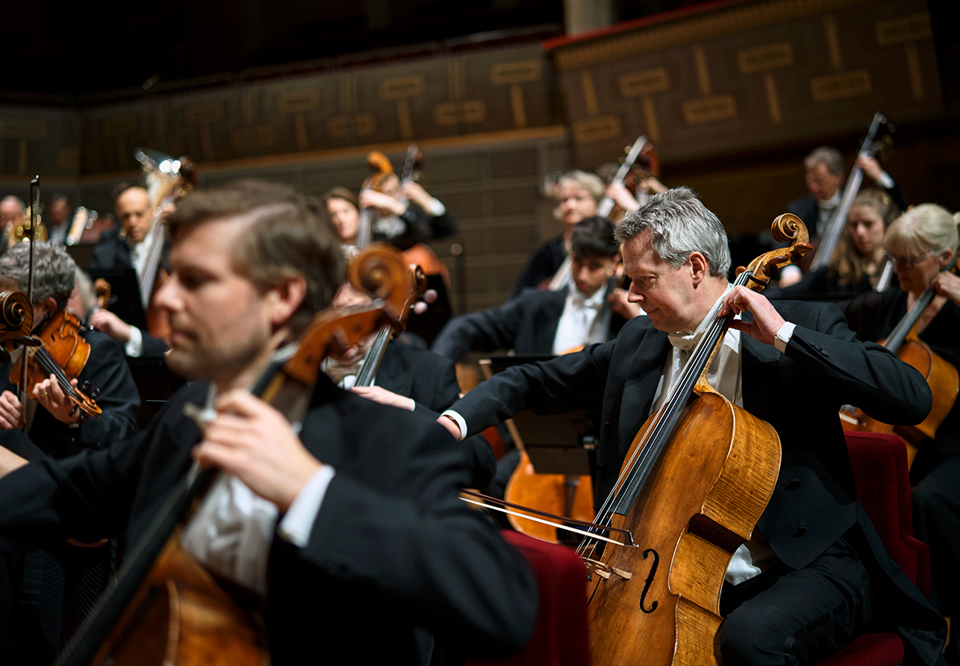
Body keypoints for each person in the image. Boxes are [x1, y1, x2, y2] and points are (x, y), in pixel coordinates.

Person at [0, 180, 536, 664]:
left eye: (195, 280)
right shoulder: (194, 418)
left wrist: (309, 490)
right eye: (169, 277)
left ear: (281, 298)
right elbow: (64, 494)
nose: (163, 299)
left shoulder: (383, 440)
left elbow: (503, 603)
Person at [438, 187, 946, 665]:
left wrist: (785, 336)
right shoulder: (639, 343)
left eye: (644, 279)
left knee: (749, 642)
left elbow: (911, 397)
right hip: (670, 571)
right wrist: (454, 422)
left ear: (696, 267)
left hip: (801, 562)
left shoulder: (800, 324)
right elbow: (531, 380)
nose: (632, 295)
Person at [0, 241, 141, 662]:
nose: (2, 310)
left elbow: (122, 433)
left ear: (43, 304)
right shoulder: (6, 346)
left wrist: (75, 420)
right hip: (12, 518)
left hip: (68, 534)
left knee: (56, 646)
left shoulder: (97, 353)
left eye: (10, 300)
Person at [845, 203, 960, 665]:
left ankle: (944, 616)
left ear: (945, 257)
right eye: (892, 259)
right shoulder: (892, 304)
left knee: (929, 501)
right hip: (908, 441)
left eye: (906, 262)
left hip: (953, 446)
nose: (895, 270)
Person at [324, 282, 496, 489]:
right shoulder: (290, 369)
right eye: (332, 313)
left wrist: (412, 410)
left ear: (380, 312)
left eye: (355, 314)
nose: (344, 328)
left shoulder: (429, 370)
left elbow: (482, 464)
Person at [780, 149, 908, 287]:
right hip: (813, 277)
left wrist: (880, 176)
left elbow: (901, 211)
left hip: (853, 274)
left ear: (839, 178)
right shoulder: (799, 209)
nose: (813, 187)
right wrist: (789, 270)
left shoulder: (860, 200)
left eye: (820, 181)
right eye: (809, 181)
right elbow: (781, 244)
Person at [771, 188, 901, 301]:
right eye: (854, 225)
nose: (859, 232)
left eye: (868, 224)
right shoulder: (836, 271)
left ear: (887, 225)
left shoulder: (900, 269)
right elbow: (789, 293)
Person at [88, 184, 168, 358]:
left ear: (152, 212)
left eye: (139, 214)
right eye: (126, 216)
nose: (132, 222)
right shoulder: (105, 255)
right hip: (118, 347)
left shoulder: (170, 250)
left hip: (162, 342)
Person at [510, 170, 605, 299]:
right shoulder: (549, 251)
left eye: (578, 198)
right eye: (564, 200)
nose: (570, 205)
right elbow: (518, 296)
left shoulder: (609, 244)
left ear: (596, 203)